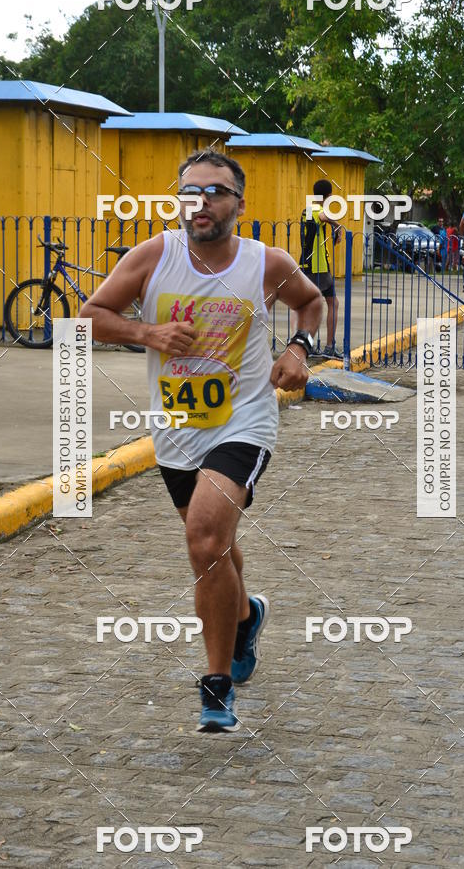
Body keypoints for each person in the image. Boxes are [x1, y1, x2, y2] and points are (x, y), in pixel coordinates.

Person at [80, 150, 323, 731]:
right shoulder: (152, 257)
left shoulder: (266, 263)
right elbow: (88, 316)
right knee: (215, 546)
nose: (202, 203)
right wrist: (147, 331)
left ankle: (216, 687)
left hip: (245, 420)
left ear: (240, 203)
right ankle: (245, 616)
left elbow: (312, 303)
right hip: (177, 430)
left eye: (215, 192)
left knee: (204, 534)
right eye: (190, 192)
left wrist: (297, 348)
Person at [299, 179, 343, 357]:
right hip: (319, 267)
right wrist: (338, 227)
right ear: (329, 196)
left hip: (306, 264)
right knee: (332, 304)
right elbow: (324, 216)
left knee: (310, 307)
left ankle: (306, 346)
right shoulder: (317, 210)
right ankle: (329, 347)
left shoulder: (306, 210)